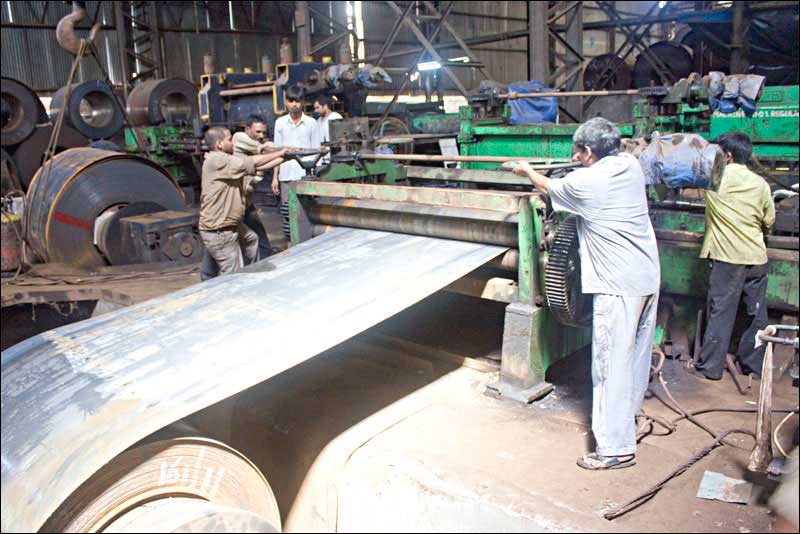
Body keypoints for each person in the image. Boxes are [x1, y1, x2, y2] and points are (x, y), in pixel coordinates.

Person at [510, 118, 661, 471]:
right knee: (634, 358)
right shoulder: (629, 164)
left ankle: (614, 449)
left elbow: (550, 187)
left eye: (576, 152)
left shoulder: (589, 181)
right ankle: (629, 421)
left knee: (609, 365)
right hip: (646, 277)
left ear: (589, 152)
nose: (574, 157)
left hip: (617, 285)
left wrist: (527, 170)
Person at [688, 132, 776, 380]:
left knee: (721, 312)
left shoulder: (715, 179)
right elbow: (769, 220)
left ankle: (710, 369)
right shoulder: (761, 184)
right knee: (756, 313)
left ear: (726, 155)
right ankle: (754, 367)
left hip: (728, 259)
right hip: (756, 258)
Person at [199, 127, 286, 276]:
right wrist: (280, 152)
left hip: (230, 225)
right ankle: (235, 289)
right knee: (232, 272)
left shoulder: (226, 162)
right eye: (229, 139)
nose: (233, 143)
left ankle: (247, 278)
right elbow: (252, 161)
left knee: (251, 240)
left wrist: (285, 158)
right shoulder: (218, 160)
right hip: (219, 229)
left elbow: (257, 166)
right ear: (219, 144)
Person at [272, 86, 321, 241]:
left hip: (305, 175)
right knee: (288, 213)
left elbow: (317, 150)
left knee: (307, 213)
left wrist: (316, 176)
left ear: (302, 102)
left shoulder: (312, 123)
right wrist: (275, 177)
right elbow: (276, 152)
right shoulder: (280, 123)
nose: (294, 104)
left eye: (297, 101)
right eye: (291, 101)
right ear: (286, 102)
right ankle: (291, 244)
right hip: (286, 176)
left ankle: (308, 243)